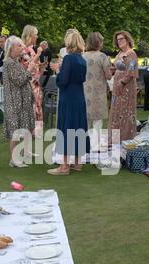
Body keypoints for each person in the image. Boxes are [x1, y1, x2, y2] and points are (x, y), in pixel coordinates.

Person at [48, 30, 89, 175]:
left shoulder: (68, 59)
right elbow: (82, 78)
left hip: (68, 97)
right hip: (79, 96)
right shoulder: (82, 59)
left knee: (67, 127)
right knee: (78, 126)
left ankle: (64, 166)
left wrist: (57, 70)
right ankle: (77, 163)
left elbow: (63, 80)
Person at [2, 36, 36, 168]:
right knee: (14, 131)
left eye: (22, 45)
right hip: (14, 102)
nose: (22, 48)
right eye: (19, 46)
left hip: (22, 101)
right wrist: (29, 69)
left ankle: (24, 153)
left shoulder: (15, 61)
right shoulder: (9, 63)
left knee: (24, 127)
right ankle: (13, 160)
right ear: (11, 48)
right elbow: (20, 80)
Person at [82, 32, 112, 152]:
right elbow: (108, 75)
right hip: (98, 91)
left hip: (85, 90)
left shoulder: (82, 56)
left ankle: (85, 145)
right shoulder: (102, 56)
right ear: (98, 42)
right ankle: (96, 146)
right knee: (97, 120)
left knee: (87, 119)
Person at [108, 30, 138, 145]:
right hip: (117, 87)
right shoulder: (119, 53)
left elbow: (131, 71)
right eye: (118, 39)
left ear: (127, 40)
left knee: (125, 113)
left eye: (121, 39)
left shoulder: (131, 54)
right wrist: (112, 70)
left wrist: (122, 82)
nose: (119, 41)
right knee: (116, 112)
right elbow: (118, 68)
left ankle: (125, 140)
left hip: (126, 87)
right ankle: (115, 140)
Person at [21, 25, 46, 137]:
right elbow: (27, 66)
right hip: (28, 84)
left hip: (35, 84)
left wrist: (41, 67)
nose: (37, 37)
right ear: (30, 35)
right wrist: (39, 55)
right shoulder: (22, 49)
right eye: (35, 35)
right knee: (29, 107)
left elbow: (34, 66)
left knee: (36, 106)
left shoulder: (31, 49)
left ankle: (35, 132)